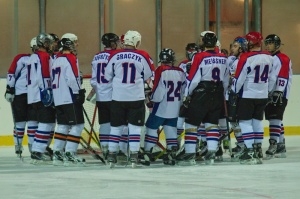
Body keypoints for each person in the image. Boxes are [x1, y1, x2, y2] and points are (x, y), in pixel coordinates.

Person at [104, 30, 155, 168]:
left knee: (115, 128)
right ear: (136, 41)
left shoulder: (115, 55)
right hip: (136, 98)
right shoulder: (143, 55)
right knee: (135, 128)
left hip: (118, 98)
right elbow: (149, 77)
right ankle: (133, 156)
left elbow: (107, 75)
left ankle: (111, 156)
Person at [177, 32, 229, 165]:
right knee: (212, 123)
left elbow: (193, 78)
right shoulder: (223, 57)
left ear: (203, 42)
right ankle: (212, 152)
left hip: (202, 92)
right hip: (218, 92)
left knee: (191, 123)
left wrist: (187, 94)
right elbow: (226, 79)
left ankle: (189, 152)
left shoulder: (199, 56)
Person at [231, 31, 275, 165]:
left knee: (245, 122)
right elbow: (272, 78)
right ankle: (257, 150)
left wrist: (234, 91)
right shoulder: (269, 57)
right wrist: (267, 91)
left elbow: (239, 78)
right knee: (257, 121)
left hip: (248, 94)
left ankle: (249, 151)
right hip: (262, 95)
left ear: (250, 43)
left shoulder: (246, 57)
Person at [143, 48, 186, 166]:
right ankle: (171, 154)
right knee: (171, 129)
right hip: (175, 107)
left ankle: (147, 152)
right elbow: (183, 91)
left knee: (151, 128)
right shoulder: (181, 72)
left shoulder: (160, 70)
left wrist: (151, 99)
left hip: (161, 107)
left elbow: (158, 90)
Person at [51, 38, 86, 166]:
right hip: (69, 97)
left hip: (58, 98)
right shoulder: (70, 58)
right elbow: (72, 78)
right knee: (77, 125)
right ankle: (70, 153)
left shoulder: (56, 60)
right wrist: (79, 92)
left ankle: (57, 153)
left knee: (62, 126)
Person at [5, 37, 39, 156]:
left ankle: (31, 145)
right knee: (21, 122)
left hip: (34, 94)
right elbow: (11, 73)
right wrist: (10, 88)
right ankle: (18, 144)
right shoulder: (22, 58)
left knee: (33, 121)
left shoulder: (43, 59)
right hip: (21, 94)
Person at [27, 33, 56, 164]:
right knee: (47, 123)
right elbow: (44, 75)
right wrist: (47, 91)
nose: (50, 45)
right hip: (41, 94)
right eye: (49, 43)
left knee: (38, 123)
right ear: (44, 44)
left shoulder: (32, 57)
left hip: (32, 95)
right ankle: (38, 150)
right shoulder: (44, 56)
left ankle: (37, 148)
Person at [90, 33, 120, 159]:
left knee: (104, 123)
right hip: (113, 96)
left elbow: (93, 81)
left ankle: (105, 149)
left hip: (100, 96)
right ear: (113, 43)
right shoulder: (116, 55)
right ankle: (116, 150)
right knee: (117, 124)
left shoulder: (96, 56)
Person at [264, 34, 292, 159]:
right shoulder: (270, 58)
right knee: (274, 118)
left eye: (271, 43)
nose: (268, 45)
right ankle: (281, 145)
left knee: (275, 118)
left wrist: (278, 92)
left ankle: (273, 144)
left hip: (279, 93)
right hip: (271, 92)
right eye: (267, 43)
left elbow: (282, 77)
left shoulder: (283, 58)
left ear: (277, 45)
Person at [226, 36, 248, 161]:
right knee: (234, 121)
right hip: (234, 95)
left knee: (240, 122)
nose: (232, 48)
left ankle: (244, 145)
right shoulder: (234, 60)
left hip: (240, 96)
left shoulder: (242, 60)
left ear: (241, 48)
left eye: (235, 46)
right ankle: (242, 144)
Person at [177, 43, 199, 147]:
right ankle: (176, 144)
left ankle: (197, 144)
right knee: (180, 120)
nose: (191, 53)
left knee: (195, 122)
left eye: (193, 50)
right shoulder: (182, 64)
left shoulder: (200, 61)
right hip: (184, 96)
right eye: (189, 50)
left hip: (197, 97)